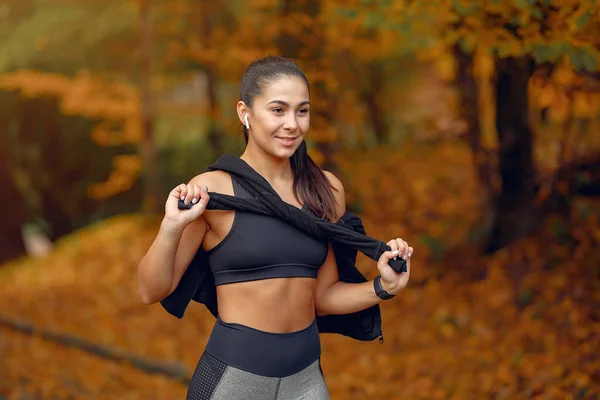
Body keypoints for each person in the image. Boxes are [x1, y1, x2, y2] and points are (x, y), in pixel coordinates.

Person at [137, 56, 413, 400]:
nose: (292, 124)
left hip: (306, 382)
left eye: (302, 111)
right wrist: (171, 227)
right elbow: (151, 290)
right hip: (234, 383)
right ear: (245, 113)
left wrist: (383, 287)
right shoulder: (214, 191)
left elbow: (322, 298)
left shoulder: (324, 191)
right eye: (278, 110)